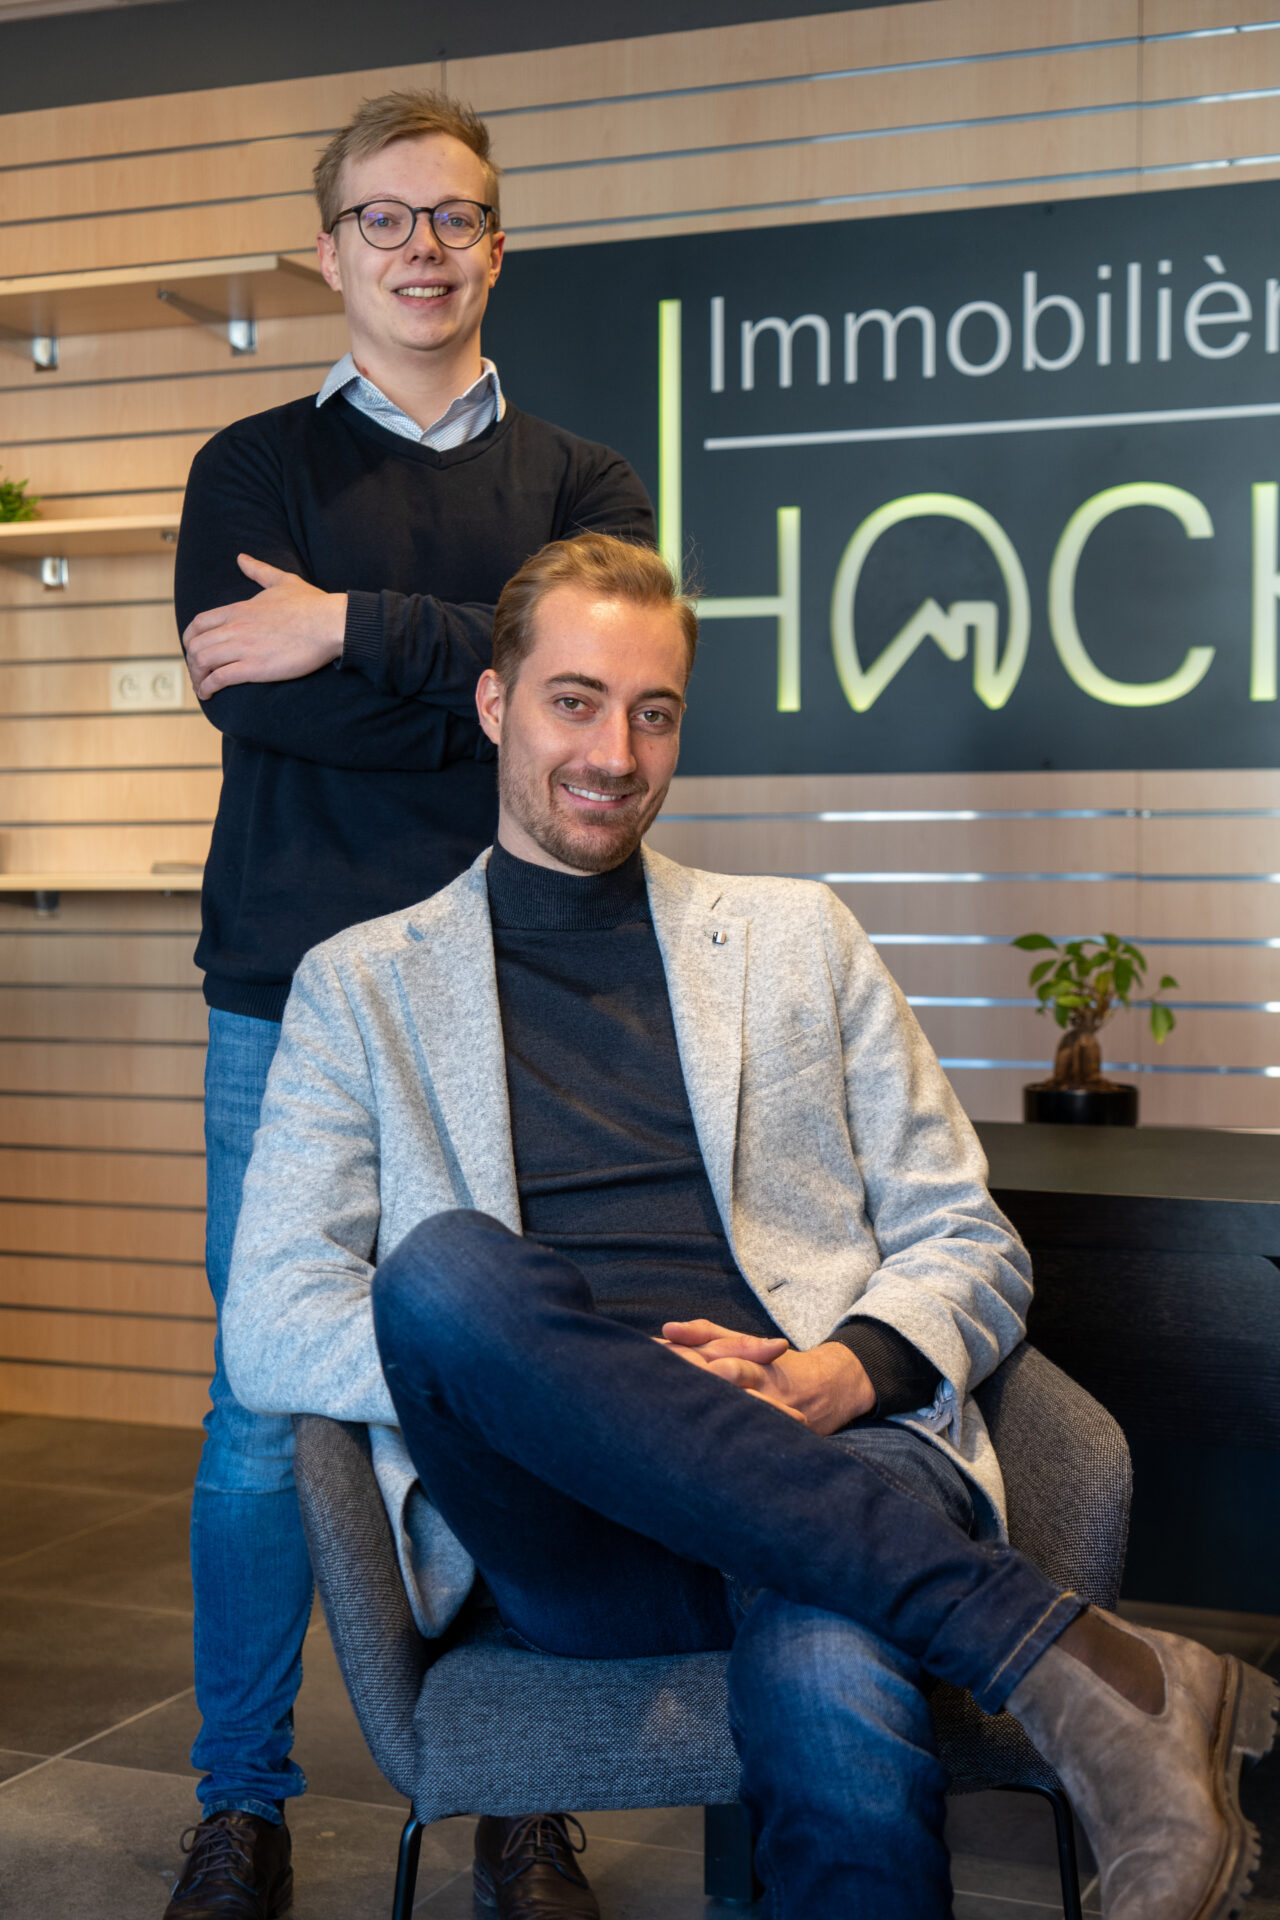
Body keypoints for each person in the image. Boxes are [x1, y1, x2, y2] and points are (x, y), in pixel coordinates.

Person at [224, 532, 1276, 1920]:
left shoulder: (800, 939)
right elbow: (273, 1317)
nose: (614, 754)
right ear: (494, 703)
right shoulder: (361, 987)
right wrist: (624, 1386)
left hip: (831, 1448)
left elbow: (969, 1235)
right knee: (445, 1273)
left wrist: (838, 1372)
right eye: (574, 702)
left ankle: (1060, 1674)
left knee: (832, 1652)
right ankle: (1069, 1657)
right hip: (571, 1531)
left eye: (653, 713)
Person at [169, 90, 652, 1919]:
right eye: (384, 218)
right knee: (256, 1409)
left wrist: (352, 627)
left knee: (533, 1389)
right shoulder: (248, 468)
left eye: (453, 217)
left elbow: (581, 698)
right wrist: (476, 676)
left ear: (497, 246)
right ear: (331, 252)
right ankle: (240, 1803)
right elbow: (259, 695)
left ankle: (529, 1796)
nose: (422, 248)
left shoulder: (586, 485)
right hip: (283, 999)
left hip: (524, 989)